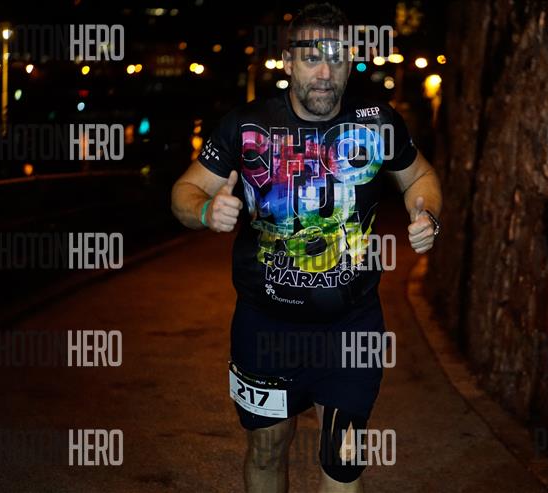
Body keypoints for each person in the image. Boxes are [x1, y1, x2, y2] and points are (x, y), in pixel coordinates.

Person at [171, 3, 442, 492]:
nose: (324, 72)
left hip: (351, 326)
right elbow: (184, 193)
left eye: (336, 58)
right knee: (267, 448)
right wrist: (207, 211)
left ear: (350, 62)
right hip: (265, 327)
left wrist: (427, 215)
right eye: (311, 57)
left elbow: (419, 175)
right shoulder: (246, 125)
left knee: (343, 459)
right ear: (288, 61)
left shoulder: (377, 123)